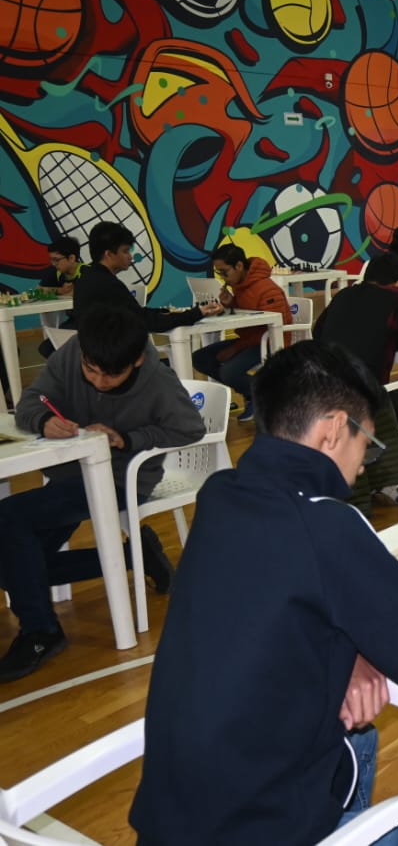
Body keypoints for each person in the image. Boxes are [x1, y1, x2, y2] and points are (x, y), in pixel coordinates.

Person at [129, 340, 398, 846]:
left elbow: (271, 608)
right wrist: (360, 644)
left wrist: (350, 655)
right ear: (333, 430)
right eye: (367, 442)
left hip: (168, 826)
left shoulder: (219, 495)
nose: (364, 463)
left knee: (358, 736)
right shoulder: (325, 523)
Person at [0, 307, 204, 682]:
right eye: (90, 370)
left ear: (137, 360)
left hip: (122, 479)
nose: (98, 381)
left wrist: (127, 438)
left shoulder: (158, 381)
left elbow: (190, 429)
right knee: (13, 561)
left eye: (111, 374)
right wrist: (44, 420)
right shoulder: (74, 352)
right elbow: (31, 401)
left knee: (9, 523)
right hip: (70, 473)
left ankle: (41, 632)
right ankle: (132, 556)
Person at [313, 253, 398, 510]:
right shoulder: (396, 298)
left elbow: (318, 331)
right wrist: (395, 338)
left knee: (376, 403)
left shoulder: (344, 295)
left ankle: (370, 487)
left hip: (319, 391)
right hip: (362, 395)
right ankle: (384, 483)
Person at [192, 243, 292, 423]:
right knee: (200, 358)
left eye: (224, 272)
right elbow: (247, 315)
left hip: (268, 342)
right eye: (219, 273)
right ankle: (252, 393)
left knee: (229, 372)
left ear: (239, 266)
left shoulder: (268, 289)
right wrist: (230, 303)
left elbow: (271, 327)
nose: (223, 278)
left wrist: (235, 348)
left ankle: (265, 395)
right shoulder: (239, 285)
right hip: (248, 340)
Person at [73, 222, 220, 330]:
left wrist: (166, 312)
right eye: (125, 251)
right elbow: (146, 321)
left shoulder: (87, 277)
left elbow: (137, 314)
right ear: (109, 254)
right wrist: (197, 313)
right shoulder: (108, 284)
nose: (130, 257)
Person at [37, 236, 84, 357]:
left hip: (89, 322)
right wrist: (59, 290)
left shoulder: (86, 271)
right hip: (72, 321)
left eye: (56, 260)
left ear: (72, 258)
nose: (53, 264)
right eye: (51, 260)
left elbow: (78, 293)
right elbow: (39, 290)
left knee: (53, 350)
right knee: (45, 349)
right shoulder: (57, 272)